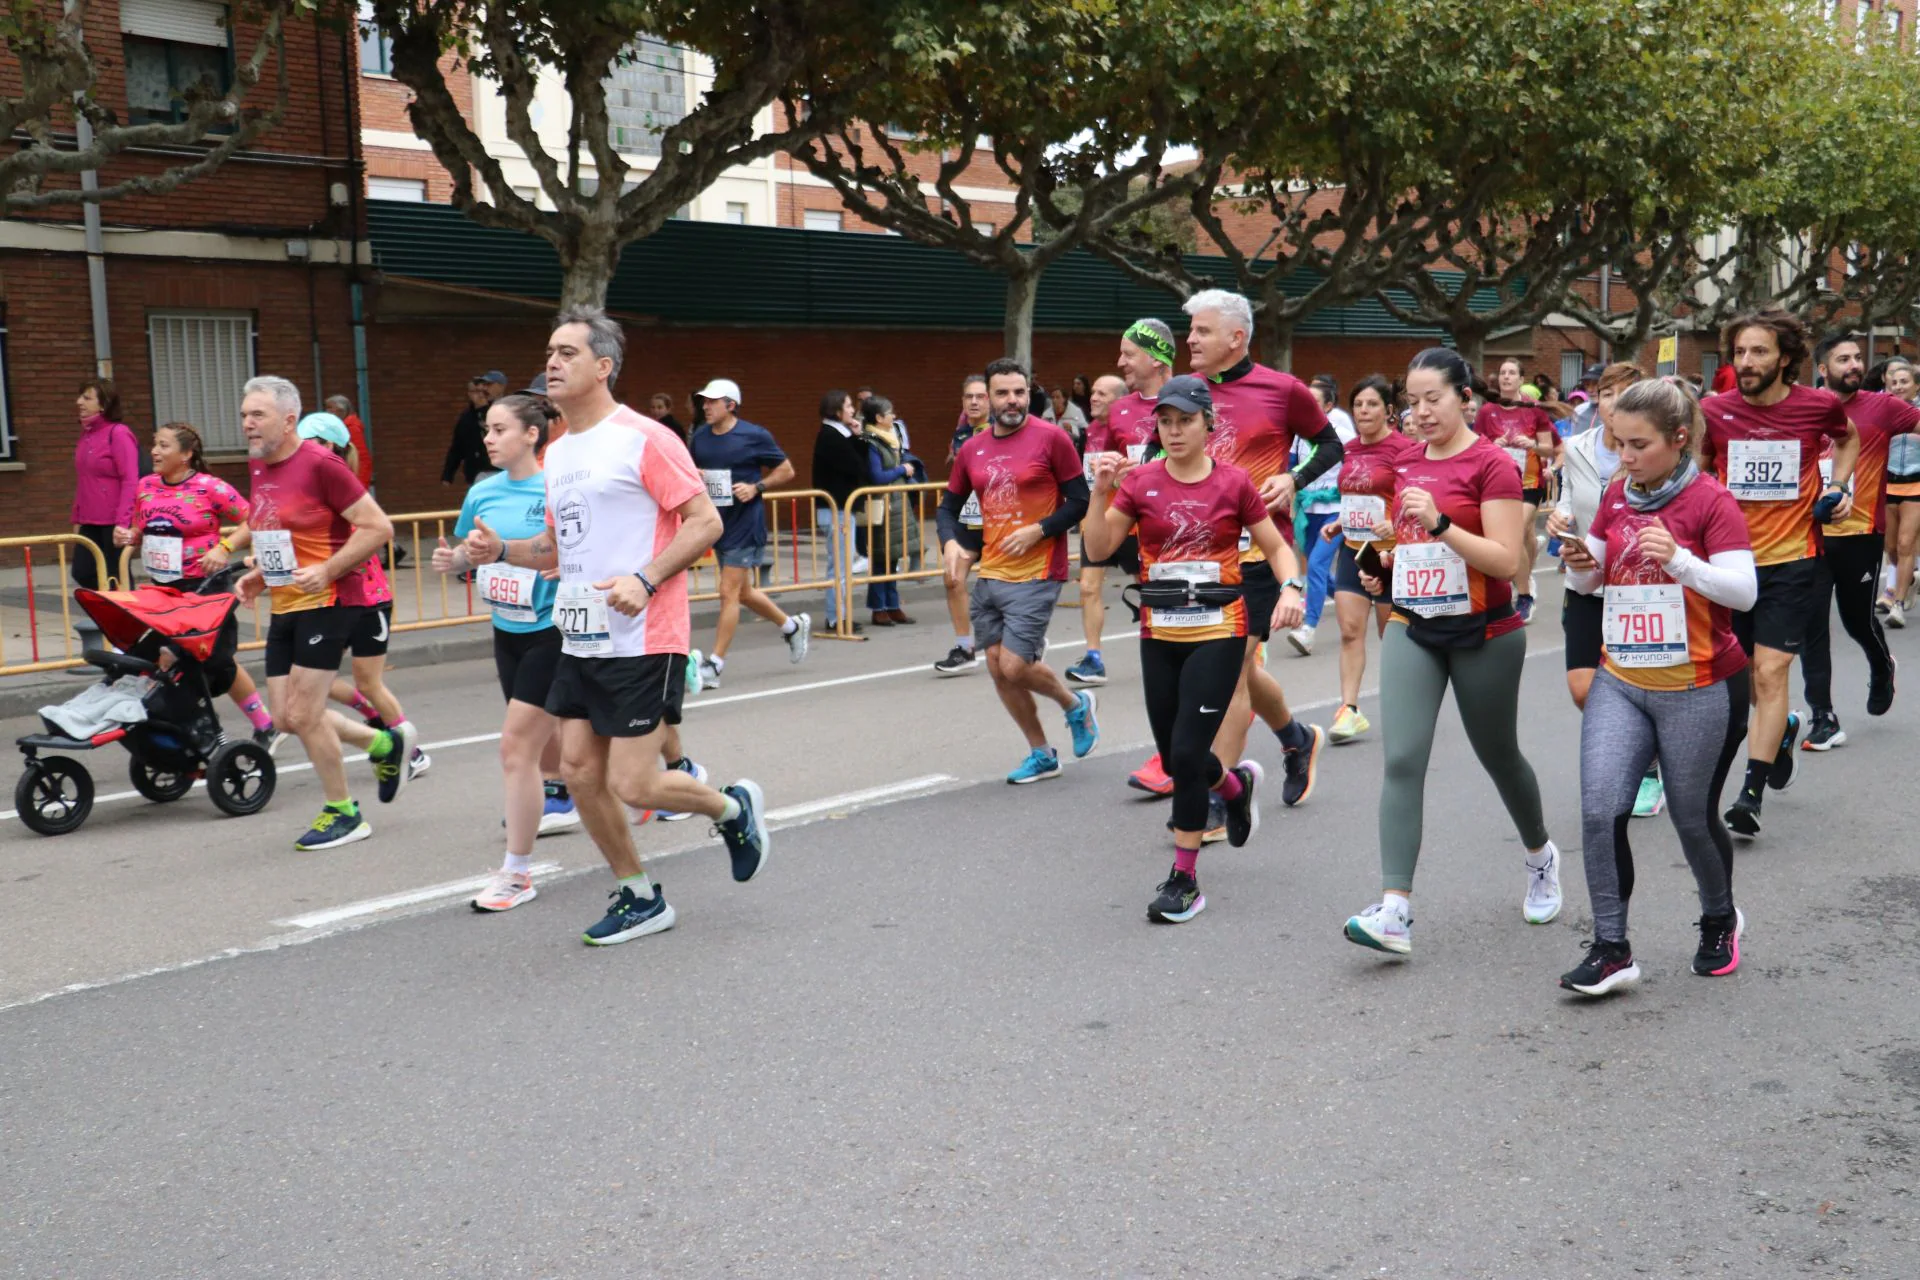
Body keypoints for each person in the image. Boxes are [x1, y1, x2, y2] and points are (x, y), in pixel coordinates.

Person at [461, 306, 769, 945]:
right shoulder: (562, 451)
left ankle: (731, 808)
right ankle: (639, 894)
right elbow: (554, 546)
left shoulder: (645, 438)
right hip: (580, 633)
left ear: (603, 367)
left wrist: (645, 578)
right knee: (578, 772)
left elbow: (704, 522)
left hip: (645, 633)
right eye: (549, 351)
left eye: (567, 353)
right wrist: (503, 553)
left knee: (634, 783)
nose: (552, 362)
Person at [1342, 347, 1559, 958]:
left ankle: (1540, 854)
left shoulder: (1493, 464)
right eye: (1412, 401)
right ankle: (1395, 910)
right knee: (1402, 760)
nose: (1421, 412)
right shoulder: (1406, 462)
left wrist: (1439, 525)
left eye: (1432, 398)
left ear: (1466, 396)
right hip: (1414, 626)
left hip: (1486, 632)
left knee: (1499, 755)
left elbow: (1505, 560)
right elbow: (1401, 540)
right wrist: (1383, 568)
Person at [1556, 378, 1756, 995]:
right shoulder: (1618, 493)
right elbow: (1589, 584)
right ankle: (1612, 948)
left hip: (1700, 685)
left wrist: (1679, 560)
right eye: (1618, 443)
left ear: (1679, 440)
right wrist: (1576, 558)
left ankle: (1720, 917)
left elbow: (1743, 593)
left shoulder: (1711, 502)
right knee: (1599, 810)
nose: (1624, 457)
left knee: (1692, 819)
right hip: (1622, 679)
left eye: (1638, 445)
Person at [1085, 375, 1304, 921]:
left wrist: (1293, 587)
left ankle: (1184, 881)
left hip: (1219, 629)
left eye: (1185, 420)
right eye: (1165, 420)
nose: (1175, 430)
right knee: (1178, 749)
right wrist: (1099, 491)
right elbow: (1098, 546)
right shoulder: (1139, 482)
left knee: (1183, 757)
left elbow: (1276, 548)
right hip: (1159, 632)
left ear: (1209, 423)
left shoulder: (1234, 484)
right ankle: (1234, 787)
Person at [1126, 290, 1340, 808]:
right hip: (1192, 560)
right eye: (1191, 330)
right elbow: (1157, 454)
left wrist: (1294, 478)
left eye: (1201, 331)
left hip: (1256, 555)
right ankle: (1295, 738)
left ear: (1236, 337)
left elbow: (1331, 445)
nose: (1190, 340)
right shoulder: (1185, 392)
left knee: (1233, 671)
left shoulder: (1282, 389)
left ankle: (1216, 798)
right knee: (1241, 669)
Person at [228, 377, 417, 850]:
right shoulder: (260, 467)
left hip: (330, 602)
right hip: (287, 600)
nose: (247, 424)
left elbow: (379, 527)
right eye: (245, 415)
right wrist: (261, 577)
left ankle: (344, 812)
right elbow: (280, 531)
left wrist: (328, 569)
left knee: (306, 714)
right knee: (285, 718)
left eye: (258, 415)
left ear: (288, 420)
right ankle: (383, 744)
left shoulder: (321, 464)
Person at [1701, 310, 1859, 837]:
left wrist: (1839, 488)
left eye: (1759, 352)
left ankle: (1750, 794)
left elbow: (1848, 438)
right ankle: (1785, 727)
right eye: (1740, 352)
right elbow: (1699, 470)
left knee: (1770, 673)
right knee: (1743, 678)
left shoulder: (1816, 406)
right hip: (1729, 565)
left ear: (1785, 357)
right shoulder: (1714, 410)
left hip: (1793, 562)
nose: (1746, 363)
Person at [433, 392, 569, 910]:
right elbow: (470, 547)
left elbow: (567, 546)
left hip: (553, 627)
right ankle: (593, 787)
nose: (487, 439)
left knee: (515, 749)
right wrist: (456, 561)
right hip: (506, 628)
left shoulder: (556, 487)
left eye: (498, 429)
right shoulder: (483, 491)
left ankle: (517, 873)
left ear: (532, 435)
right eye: (486, 430)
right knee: (548, 743)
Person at [936, 357, 1099, 782]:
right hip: (991, 571)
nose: (1013, 400)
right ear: (987, 398)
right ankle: (1042, 753)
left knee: (1012, 665)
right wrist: (951, 542)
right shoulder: (972, 449)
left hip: (1039, 569)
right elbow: (949, 507)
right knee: (995, 665)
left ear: (1029, 393)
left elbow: (1080, 501)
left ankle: (1074, 705)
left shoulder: (1052, 439)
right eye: (1003, 393)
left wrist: (1038, 530)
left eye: (1020, 392)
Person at [1545, 363, 1668, 816]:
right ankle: (1643, 752)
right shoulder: (1576, 447)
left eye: (1624, 392)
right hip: (1585, 580)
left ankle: (1646, 766)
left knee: (1640, 684)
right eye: (1605, 393)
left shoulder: (1655, 454)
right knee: (1583, 688)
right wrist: (1560, 518)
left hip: (1638, 585)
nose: (1612, 401)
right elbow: (1568, 499)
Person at [112, 421, 276, 745]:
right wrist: (129, 536)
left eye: (163, 445)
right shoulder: (145, 486)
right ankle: (196, 729)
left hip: (204, 587)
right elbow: (142, 528)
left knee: (210, 660)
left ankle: (259, 726)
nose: (155, 451)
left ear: (186, 454)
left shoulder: (209, 487)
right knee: (169, 657)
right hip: (161, 588)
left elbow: (253, 518)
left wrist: (224, 547)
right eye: (154, 444)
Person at [295, 412, 432, 782]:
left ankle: (411, 751)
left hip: (369, 601)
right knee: (309, 678)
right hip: (332, 601)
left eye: (306, 444)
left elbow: (361, 538)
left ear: (327, 448)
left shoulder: (343, 489)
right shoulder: (308, 490)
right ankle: (376, 721)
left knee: (368, 682)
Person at [1798, 333, 1914, 747]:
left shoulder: (1882, 407)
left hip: (1861, 534)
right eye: (1842, 359)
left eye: (1855, 358)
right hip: (1808, 534)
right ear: (1823, 369)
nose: (1853, 365)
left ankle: (1882, 667)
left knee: (1857, 621)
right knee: (1812, 625)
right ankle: (1823, 716)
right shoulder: (1804, 408)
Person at [1070, 319, 1175, 690]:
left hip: (1169, 525)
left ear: (1156, 358)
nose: (1120, 362)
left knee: (1157, 594)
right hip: (1119, 517)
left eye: (1128, 354)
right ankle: (1094, 656)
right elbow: (1114, 464)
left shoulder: (1191, 397)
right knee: (1087, 586)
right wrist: (1113, 474)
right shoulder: (1118, 411)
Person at [688, 378, 811, 685]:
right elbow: (690, 471)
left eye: (712, 402)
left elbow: (787, 470)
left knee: (727, 592)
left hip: (746, 523)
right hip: (717, 523)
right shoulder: (700, 437)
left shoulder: (754, 435)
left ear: (730, 405)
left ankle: (714, 665)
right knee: (743, 592)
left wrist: (757, 487)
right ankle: (792, 627)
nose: (705, 406)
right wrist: (697, 475)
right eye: (704, 401)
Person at [1323, 375, 1420, 744]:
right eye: (1358, 404)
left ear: (1389, 411)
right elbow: (1353, 496)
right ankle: (1349, 710)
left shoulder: (1404, 449)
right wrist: (1338, 522)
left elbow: (1414, 497)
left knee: (1390, 634)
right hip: (1353, 549)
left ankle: (1409, 701)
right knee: (1350, 631)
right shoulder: (1348, 449)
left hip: (1389, 552)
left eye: (1372, 404)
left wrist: (1393, 522)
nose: (1364, 411)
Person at [1473, 357, 1559, 623]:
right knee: (1522, 534)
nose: (1507, 377)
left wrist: (1531, 443)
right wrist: (1493, 444)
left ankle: (1524, 596)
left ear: (1522, 379)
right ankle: (1523, 573)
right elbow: (1475, 446)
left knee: (1518, 529)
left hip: (1529, 483)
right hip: (1499, 482)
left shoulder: (1533, 409)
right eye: (1502, 373)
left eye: (1512, 373)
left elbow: (1550, 448)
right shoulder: (1487, 411)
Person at [1283, 376, 1356, 655]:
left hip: (1335, 511)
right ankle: (1356, 598)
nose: (1306, 408)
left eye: (1313, 403)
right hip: (1308, 512)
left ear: (1328, 406)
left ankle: (1308, 629)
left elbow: (1356, 466)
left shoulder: (1343, 434)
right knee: (1319, 573)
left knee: (1314, 565)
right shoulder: (1299, 434)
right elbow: (1289, 466)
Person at [934, 375, 993, 674]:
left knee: (1001, 588)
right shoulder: (960, 436)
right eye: (968, 397)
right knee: (953, 578)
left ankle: (1026, 640)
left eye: (980, 397)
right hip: (966, 520)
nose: (973, 402)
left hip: (997, 522)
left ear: (990, 400)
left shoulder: (1001, 431)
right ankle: (964, 646)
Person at [72, 378, 141, 604]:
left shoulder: (118, 433)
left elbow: (130, 479)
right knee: (82, 572)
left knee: (116, 576)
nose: (79, 402)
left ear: (104, 404)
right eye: (80, 396)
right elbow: (84, 480)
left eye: (87, 398)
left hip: (113, 520)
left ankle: (130, 624)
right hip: (90, 520)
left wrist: (123, 522)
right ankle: (112, 613)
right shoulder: (87, 434)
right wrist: (77, 518)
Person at [811, 389, 869, 636]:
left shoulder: (839, 435)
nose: (852, 410)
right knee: (840, 567)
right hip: (836, 509)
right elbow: (857, 466)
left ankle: (839, 616)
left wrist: (856, 437)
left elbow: (858, 462)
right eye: (847, 406)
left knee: (842, 565)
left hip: (840, 509)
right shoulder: (831, 436)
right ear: (836, 410)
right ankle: (836, 618)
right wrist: (856, 438)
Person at [860, 394, 919, 625]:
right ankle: (878, 607)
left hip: (895, 504)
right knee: (880, 559)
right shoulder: (871, 442)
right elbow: (877, 476)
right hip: (882, 507)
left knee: (892, 559)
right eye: (889, 412)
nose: (894, 416)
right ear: (878, 417)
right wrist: (902, 470)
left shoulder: (890, 438)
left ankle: (892, 605)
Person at [1882, 356, 1920, 625]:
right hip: (1887, 483)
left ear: (1916, 386)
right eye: (1893, 382)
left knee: (1906, 544)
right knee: (1891, 548)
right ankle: (1909, 580)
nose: (1898, 386)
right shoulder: (1883, 412)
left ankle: (1897, 603)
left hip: (1917, 483)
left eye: (1904, 382)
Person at [441, 376, 496, 486]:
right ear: (469, 394)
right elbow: (457, 447)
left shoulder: (496, 412)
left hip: (497, 470)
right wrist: (448, 475)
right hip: (475, 471)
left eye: (482, 391)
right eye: (475, 391)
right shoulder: (466, 418)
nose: (480, 395)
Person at [324, 395, 374, 488]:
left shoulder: (351, 429)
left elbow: (362, 459)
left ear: (341, 410)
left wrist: (360, 487)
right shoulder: (341, 428)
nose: (327, 412)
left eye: (330, 408)